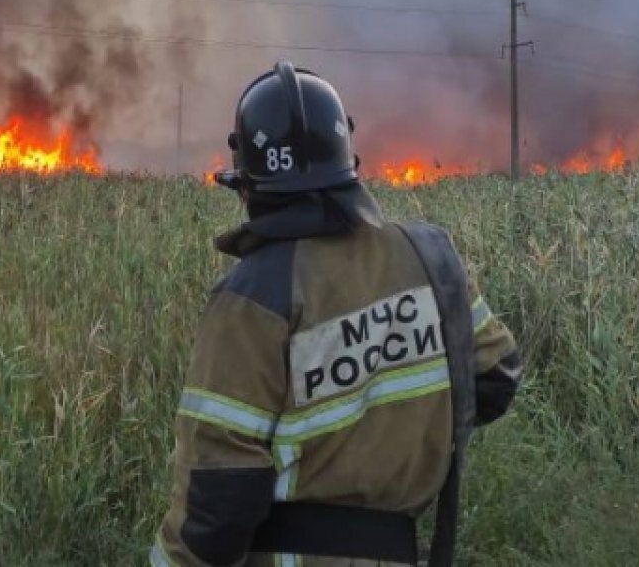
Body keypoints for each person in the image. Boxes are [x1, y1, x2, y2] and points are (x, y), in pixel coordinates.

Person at [150, 61, 522, 567]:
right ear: (349, 164)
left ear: (249, 187)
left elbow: (221, 494)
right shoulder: (433, 260)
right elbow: (496, 378)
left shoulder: (253, 297)